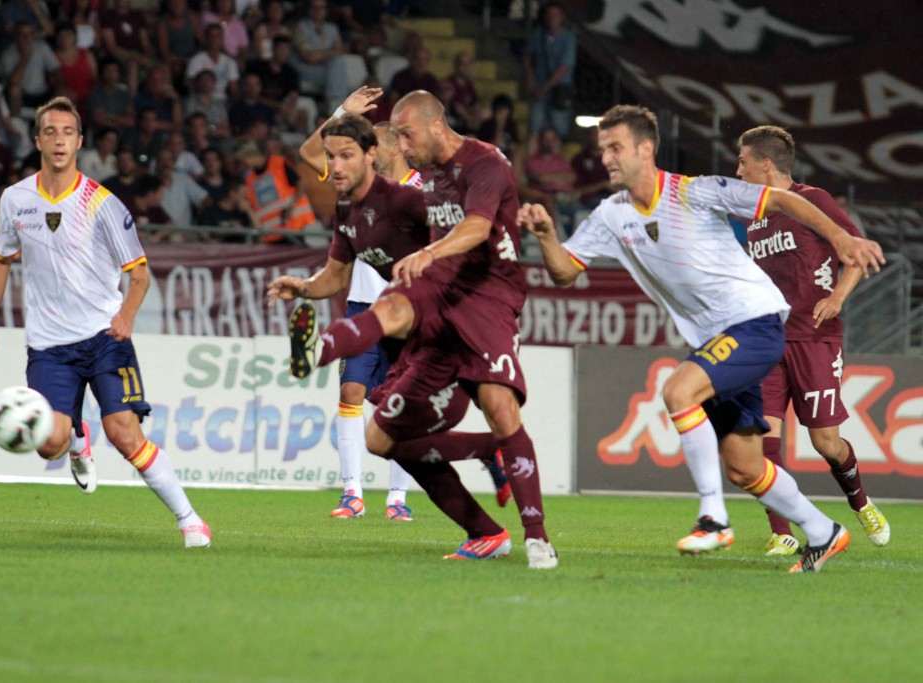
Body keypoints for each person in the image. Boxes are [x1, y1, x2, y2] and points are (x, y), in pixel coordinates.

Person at [518, 104, 885, 572]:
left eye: (615, 147)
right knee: (745, 467)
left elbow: (782, 199)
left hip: (757, 324)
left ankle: (713, 518)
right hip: (717, 340)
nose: (605, 158)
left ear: (645, 149)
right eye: (602, 149)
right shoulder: (610, 215)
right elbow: (566, 271)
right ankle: (823, 531)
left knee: (678, 390)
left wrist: (841, 238)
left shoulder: (697, 192)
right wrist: (548, 234)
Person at [284, 91, 558, 569]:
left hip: (473, 302)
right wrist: (342, 116)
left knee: (495, 403)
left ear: (379, 150)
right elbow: (315, 157)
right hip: (416, 313)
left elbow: (477, 224)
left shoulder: (428, 186)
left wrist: (430, 253)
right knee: (381, 436)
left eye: (403, 136)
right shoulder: (355, 205)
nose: (403, 146)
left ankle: (536, 535)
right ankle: (485, 518)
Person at [0, 96, 211, 548]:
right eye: (50, 132)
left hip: (104, 338)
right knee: (50, 443)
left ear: (79, 142)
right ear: (37, 139)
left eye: (67, 132)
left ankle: (190, 519)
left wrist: (126, 315)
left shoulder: (103, 204)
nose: (59, 140)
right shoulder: (15, 199)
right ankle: (77, 437)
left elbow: (138, 275)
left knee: (125, 435)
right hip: (48, 346)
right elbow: (0, 259)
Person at [735, 125, 890, 555]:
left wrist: (838, 296)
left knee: (826, 443)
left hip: (815, 339)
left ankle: (860, 502)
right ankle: (782, 531)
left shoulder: (813, 200)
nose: (738, 169)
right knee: (762, 439)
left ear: (765, 164)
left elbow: (856, 252)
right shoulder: (752, 214)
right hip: (768, 340)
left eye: (743, 161)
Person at [522, 1, 576, 139]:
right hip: (539, 86)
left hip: (559, 90)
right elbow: (527, 54)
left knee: (558, 130)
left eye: (555, 15)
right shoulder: (538, 34)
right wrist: (530, 79)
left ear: (562, 17)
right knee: (535, 126)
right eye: (550, 15)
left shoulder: (568, 38)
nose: (552, 18)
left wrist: (543, 89)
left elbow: (563, 69)